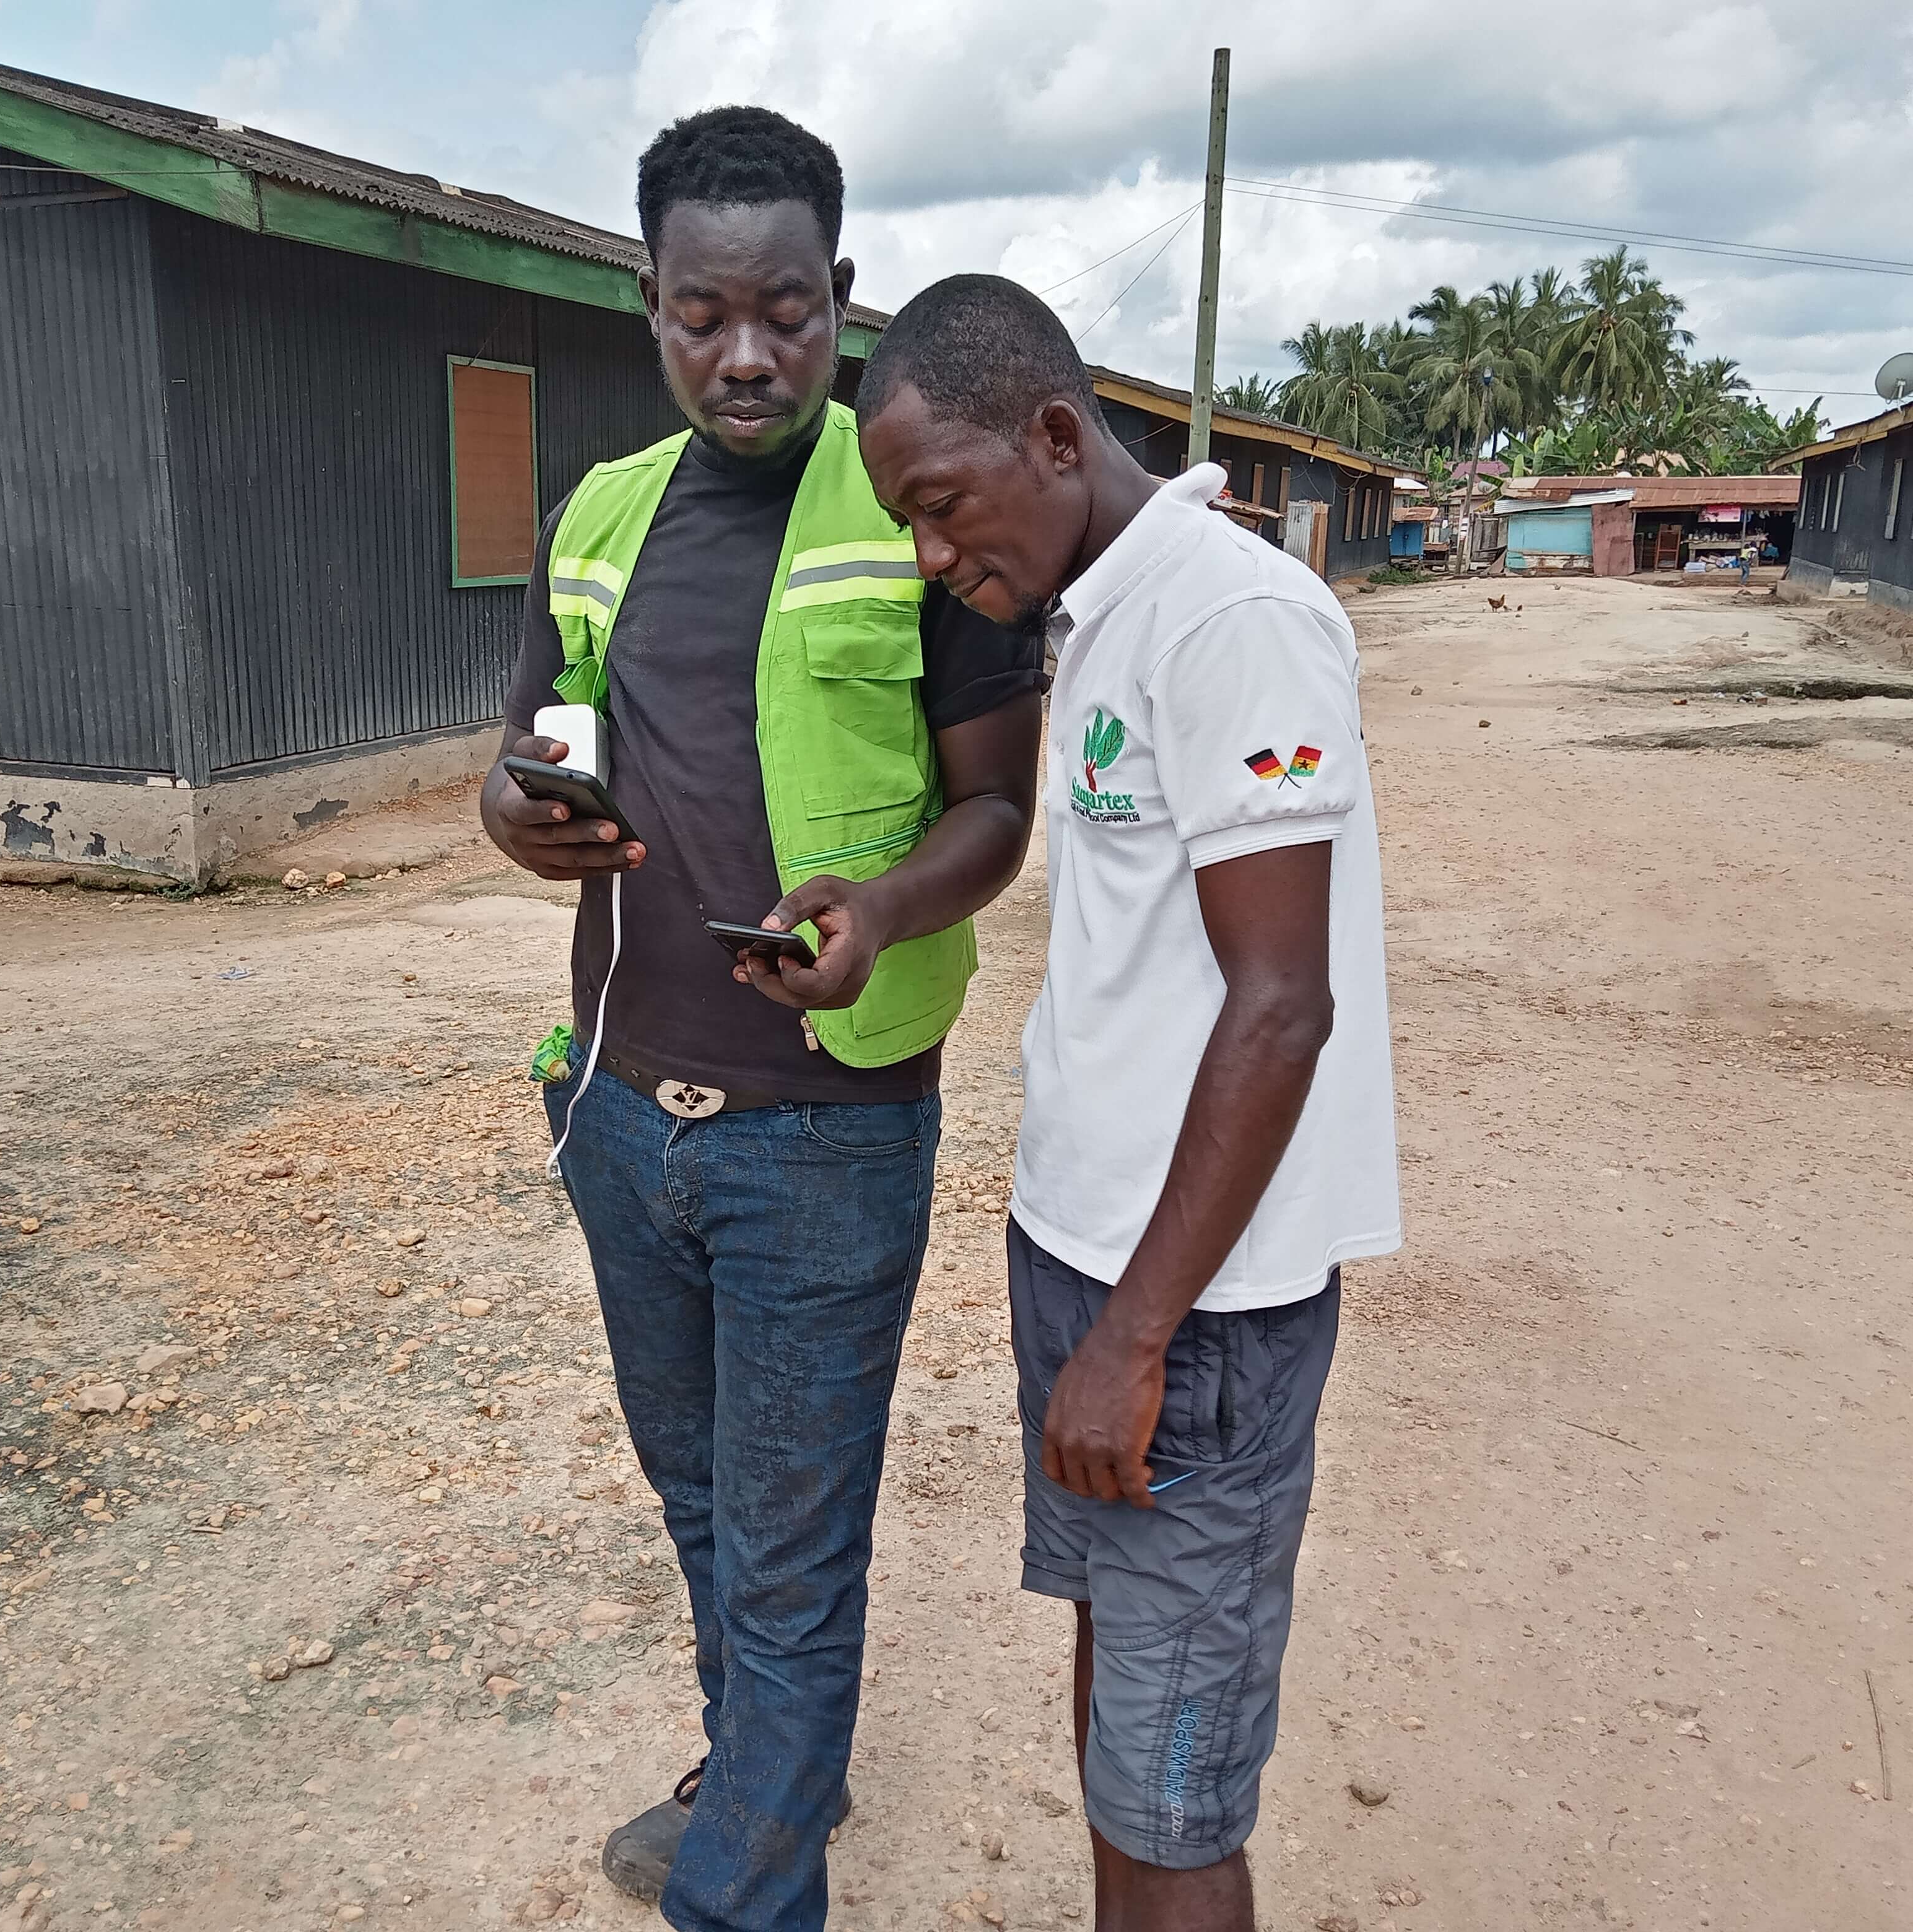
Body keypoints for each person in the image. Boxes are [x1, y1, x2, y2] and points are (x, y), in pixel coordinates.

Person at [477, 115, 1044, 1932]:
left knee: (789, 1552)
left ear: (841, 301)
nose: (747, 356)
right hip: (620, 1110)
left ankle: (746, 1882)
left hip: (826, 1129)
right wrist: (512, 812)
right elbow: (531, 746)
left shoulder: (920, 507)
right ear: (646, 302)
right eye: (704, 315)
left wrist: (882, 909)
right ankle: (765, 1775)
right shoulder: (600, 513)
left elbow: (997, 812)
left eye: (788, 316)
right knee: (704, 1501)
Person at [855, 276, 1402, 1931]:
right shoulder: (1098, 613)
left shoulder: (1233, 621)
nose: (931, 555)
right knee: (1119, 1727)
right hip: (1092, 1266)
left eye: (940, 504)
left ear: (1053, 434)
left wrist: (1137, 1337)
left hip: (1193, 1319)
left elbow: (1282, 1001)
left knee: (1172, 1793)